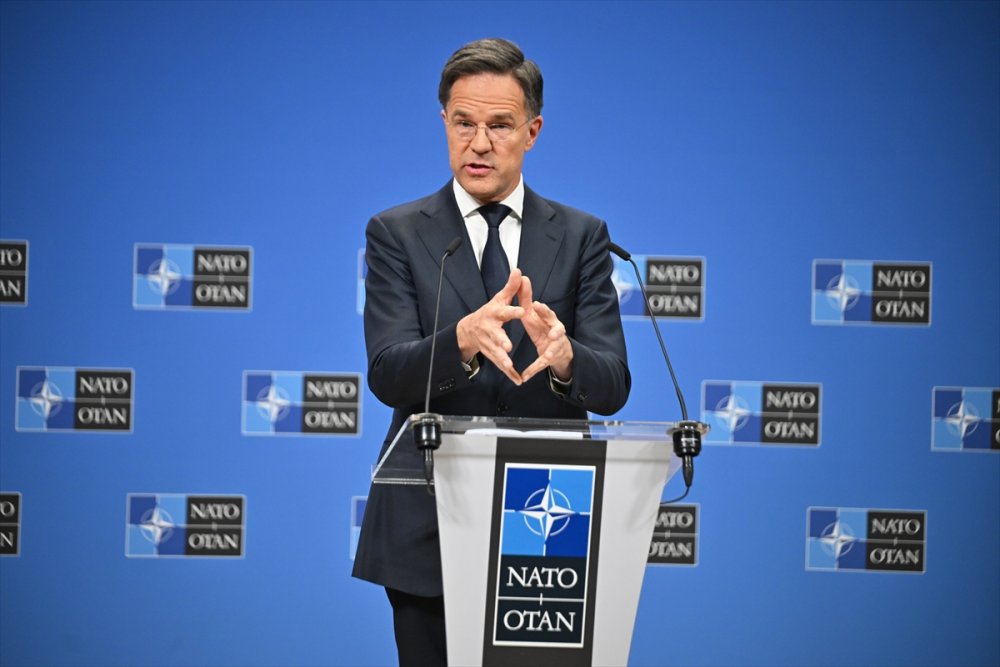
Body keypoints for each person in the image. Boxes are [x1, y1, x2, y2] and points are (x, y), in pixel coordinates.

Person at [352, 37, 630, 666]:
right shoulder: (397, 233)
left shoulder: (582, 236)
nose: (478, 143)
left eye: (499, 125)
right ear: (444, 123)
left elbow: (613, 383)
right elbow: (388, 372)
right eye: (463, 123)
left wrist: (566, 358)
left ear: (532, 131)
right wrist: (460, 341)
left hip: (547, 526)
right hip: (428, 522)